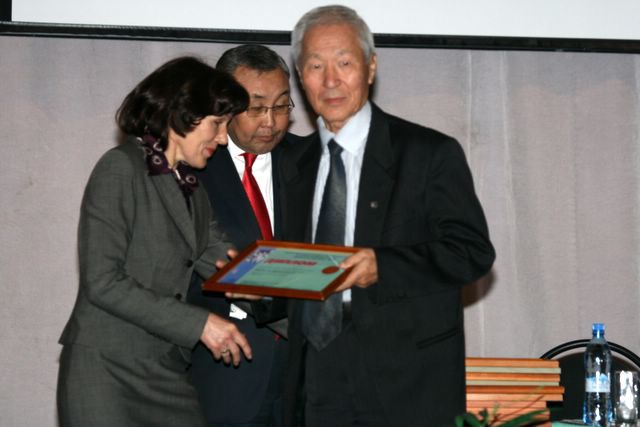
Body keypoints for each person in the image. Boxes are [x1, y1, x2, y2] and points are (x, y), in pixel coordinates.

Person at [276, 5, 496, 426]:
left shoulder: (428, 153)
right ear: (301, 77)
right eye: (316, 66)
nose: (330, 80)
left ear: (371, 67)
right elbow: (299, 268)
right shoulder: (294, 163)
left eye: (344, 63)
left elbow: (471, 252)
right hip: (316, 372)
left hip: (407, 377)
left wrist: (383, 266)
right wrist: (258, 289)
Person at [56, 56, 253, 427]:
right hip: (106, 371)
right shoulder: (120, 167)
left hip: (164, 371)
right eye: (217, 124)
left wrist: (314, 293)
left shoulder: (193, 191)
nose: (223, 139)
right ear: (182, 115)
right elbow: (102, 281)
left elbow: (235, 268)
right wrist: (200, 324)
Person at [187, 45, 295, 427]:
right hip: (224, 373)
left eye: (281, 106)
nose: (271, 122)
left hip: (304, 377)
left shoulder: (313, 161)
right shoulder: (192, 168)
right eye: (256, 108)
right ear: (224, 105)